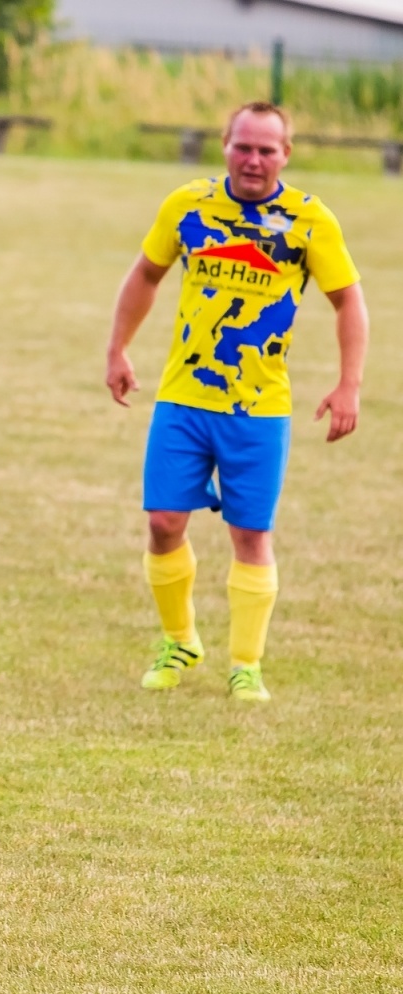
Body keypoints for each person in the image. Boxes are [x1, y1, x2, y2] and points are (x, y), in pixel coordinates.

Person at [104, 102, 368, 702]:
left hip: (261, 409)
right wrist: (118, 349)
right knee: (164, 522)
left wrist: (349, 382)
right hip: (184, 397)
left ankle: (246, 665)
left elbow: (349, 300)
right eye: (243, 146)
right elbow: (145, 275)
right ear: (224, 144)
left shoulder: (307, 220)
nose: (254, 160)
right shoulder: (188, 207)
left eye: (266, 150)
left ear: (286, 154)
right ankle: (180, 641)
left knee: (251, 536)